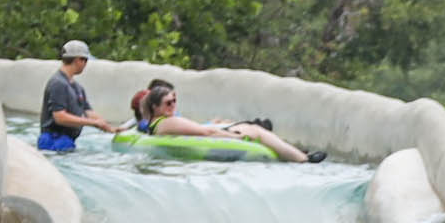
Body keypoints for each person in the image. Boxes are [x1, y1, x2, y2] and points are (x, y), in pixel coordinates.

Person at [128, 80, 324, 164]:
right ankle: (303, 160)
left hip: (205, 135)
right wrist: (235, 137)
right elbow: (206, 133)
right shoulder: (166, 122)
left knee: (251, 127)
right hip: (210, 137)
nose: (173, 105)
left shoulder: (159, 122)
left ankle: (295, 151)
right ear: (155, 106)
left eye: (175, 100)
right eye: (168, 103)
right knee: (254, 130)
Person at [38, 42, 116, 152]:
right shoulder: (58, 83)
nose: (86, 64)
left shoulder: (77, 87)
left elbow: (88, 111)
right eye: (85, 60)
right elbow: (60, 117)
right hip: (53, 140)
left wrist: (108, 126)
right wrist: (93, 123)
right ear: (78, 60)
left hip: (67, 140)